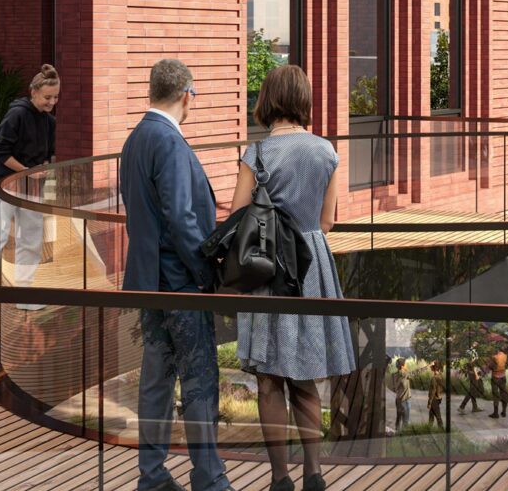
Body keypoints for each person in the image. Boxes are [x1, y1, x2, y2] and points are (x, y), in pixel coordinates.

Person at [232, 64, 355, 491]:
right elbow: (327, 223)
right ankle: (314, 473)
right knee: (305, 376)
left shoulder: (258, 153)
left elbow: (237, 216)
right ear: (303, 100)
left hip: (269, 269)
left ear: (268, 100)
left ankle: (279, 477)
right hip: (312, 267)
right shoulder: (326, 151)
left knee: (269, 380)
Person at [121, 59, 231, 491]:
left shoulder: (134, 140)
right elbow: (182, 219)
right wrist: (206, 274)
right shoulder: (168, 142)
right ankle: (209, 478)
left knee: (156, 383)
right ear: (187, 94)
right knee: (200, 380)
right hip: (181, 283)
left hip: (148, 283)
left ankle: (152, 475)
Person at [0, 64, 59, 319]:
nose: (51, 102)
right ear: (33, 92)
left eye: (55, 97)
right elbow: (1, 153)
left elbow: (45, 155)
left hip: (31, 188)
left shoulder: (49, 121)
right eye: (47, 97)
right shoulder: (17, 115)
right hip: (5, 186)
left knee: (30, 241)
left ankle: (24, 295)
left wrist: (42, 168)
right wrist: (27, 172)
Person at [389, 358, 412, 430]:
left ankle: (397, 432)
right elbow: (417, 372)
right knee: (406, 420)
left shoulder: (394, 375)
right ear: (402, 366)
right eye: (405, 364)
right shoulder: (405, 374)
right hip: (404, 400)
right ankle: (403, 436)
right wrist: (428, 366)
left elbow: (392, 388)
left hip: (398, 399)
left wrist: (399, 391)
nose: (407, 365)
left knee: (398, 418)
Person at [488, 349, 508, 419]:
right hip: (503, 377)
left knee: (496, 395)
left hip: (495, 377)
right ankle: (504, 412)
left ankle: (496, 413)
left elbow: (490, 367)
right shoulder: (505, 356)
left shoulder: (494, 357)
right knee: (503, 394)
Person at [426, 360, 446, 430]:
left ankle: (441, 429)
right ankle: (428, 428)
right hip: (439, 398)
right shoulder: (441, 376)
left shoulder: (434, 378)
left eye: (431, 367)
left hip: (434, 399)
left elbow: (433, 391)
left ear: (433, 368)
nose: (430, 368)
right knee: (431, 415)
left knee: (438, 415)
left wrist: (429, 402)